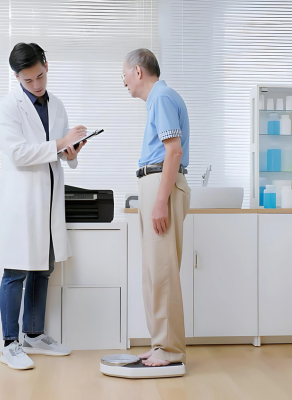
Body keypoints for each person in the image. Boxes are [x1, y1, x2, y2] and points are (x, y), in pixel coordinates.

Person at [0, 42, 86, 370]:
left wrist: (70, 152)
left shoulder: (57, 104)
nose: (36, 85)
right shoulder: (8, 108)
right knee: (16, 270)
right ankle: (10, 343)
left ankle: (34, 334)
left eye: (40, 76)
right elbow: (19, 153)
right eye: (28, 80)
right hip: (22, 202)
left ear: (47, 65)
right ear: (17, 77)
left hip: (49, 201)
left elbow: (58, 153)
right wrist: (60, 143)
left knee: (43, 269)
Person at [122, 49, 190, 367]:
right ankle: (160, 343)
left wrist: (161, 200)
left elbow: (173, 152)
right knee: (153, 272)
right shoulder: (157, 100)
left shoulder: (161, 97)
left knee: (162, 271)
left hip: (161, 183)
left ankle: (170, 348)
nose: (123, 82)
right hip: (153, 183)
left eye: (124, 74)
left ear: (138, 71)